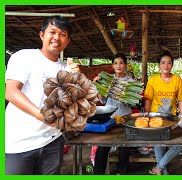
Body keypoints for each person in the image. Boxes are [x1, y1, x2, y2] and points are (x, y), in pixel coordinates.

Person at [5, 15, 80, 174]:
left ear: (67, 41)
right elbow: (10, 92)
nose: (57, 38)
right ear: (41, 35)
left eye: (62, 34)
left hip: (53, 142)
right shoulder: (24, 57)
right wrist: (42, 115)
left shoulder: (65, 68)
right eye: (52, 32)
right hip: (19, 144)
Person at [144, 51, 182, 175]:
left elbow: (181, 99)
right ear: (159, 65)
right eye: (163, 63)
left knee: (180, 145)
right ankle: (163, 172)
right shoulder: (153, 80)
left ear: (172, 65)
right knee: (158, 144)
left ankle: (159, 167)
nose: (166, 65)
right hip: (155, 118)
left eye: (169, 63)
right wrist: (146, 116)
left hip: (171, 119)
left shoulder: (177, 79)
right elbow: (148, 99)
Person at [93, 53, 133, 175]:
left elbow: (132, 102)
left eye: (121, 63)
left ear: (125, 65)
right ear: (112, 65)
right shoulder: (107, 79)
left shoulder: (130, 81)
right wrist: (99, 86)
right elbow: (102, 100)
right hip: (109, 118)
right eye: (115, 63)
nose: (118, 66)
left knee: (124, 147)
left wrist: (124, 96)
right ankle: (98, 174)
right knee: (103, 147)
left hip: (125, 118)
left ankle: (122, 174)